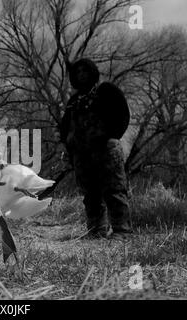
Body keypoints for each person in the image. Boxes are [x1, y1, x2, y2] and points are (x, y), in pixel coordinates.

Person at [60, 58, 132, 239]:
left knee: (114, 190)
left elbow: (122, 114)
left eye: (85, 71)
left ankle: (122, 231)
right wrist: (71, 148)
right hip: (82, 155)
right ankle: (96, 230)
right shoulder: (74, 101)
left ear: (92, 73)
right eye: (78, 72)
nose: (82, 75)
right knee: (90, 194)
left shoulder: (106, 91)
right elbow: (64, 128)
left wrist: (110, 136)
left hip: (106, 150)